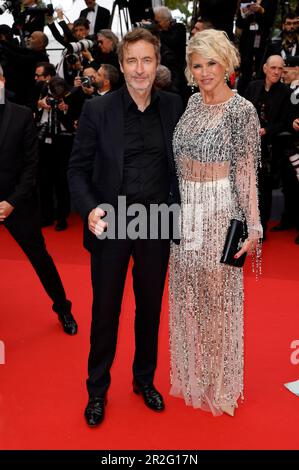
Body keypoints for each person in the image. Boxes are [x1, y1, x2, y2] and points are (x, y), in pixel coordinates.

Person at [68, 28, 183, 427]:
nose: (139, 69)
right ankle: (96, 391)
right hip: (111, 222)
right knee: (105, 312)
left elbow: (185, 169)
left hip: (155, 223)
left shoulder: (174, 107)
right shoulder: (98, 110)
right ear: (120, 65)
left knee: (149, 310)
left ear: (157, 63)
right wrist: (88, 210)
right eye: (131, 60)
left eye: (147, 60)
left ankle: (143, 380)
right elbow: (78, 170)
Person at [169, 29, 263, 417]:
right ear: (189, 70)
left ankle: (221, 384)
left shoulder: (241, 110)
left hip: (220, 210)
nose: (205, 72)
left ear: (226, 63)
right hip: (185, 210)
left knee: (218, 300)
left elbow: (245, 174)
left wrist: (254, 227)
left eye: (211, 62)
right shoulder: (190, 104)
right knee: (188, 296)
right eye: (197, 64)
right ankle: (197, 373)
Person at [0, 65, 78, 336]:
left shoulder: (21, 116)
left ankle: (63, 308)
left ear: (2, 80)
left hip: (18, 203)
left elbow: (31, 166)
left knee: (40, 258)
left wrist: (11, 202)